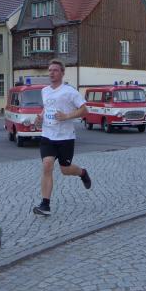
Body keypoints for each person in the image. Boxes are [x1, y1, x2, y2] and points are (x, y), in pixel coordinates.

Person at [32, 59, 91, 216]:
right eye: (50, 70)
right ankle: (45, 205)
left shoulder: (69, 91)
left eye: (55, 70)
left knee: (65, 169)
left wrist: (66, 116)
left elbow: (84, 110)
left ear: (62, 73)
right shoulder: (45, 91)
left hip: (65, 137)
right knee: (47, 166)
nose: (51, 73)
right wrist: (40, 117)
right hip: (47, 136)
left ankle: (82, 173)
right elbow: (47, 108)